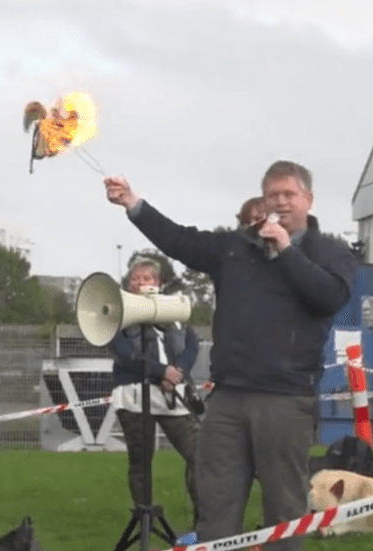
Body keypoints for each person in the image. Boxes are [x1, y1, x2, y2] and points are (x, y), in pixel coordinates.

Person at [104, 160, 357, 551]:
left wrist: (287, 250)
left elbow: (330, 297)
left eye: (289, 194)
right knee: (216, 503)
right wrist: (134, 204)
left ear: (309, 199)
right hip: (227, 399)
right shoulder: (236, 247)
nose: (280, 202)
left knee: (284, 508)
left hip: (286, 399)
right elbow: (181, 240)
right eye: (273, 195)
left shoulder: (332, 252)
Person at [107, 257, 201, 531]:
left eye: (147, 279)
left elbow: (191, 345)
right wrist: (160, 372)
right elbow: (125, 355)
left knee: (200, 455)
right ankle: (144, 518)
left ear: (158, 284)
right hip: (136, 396)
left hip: (173, 394)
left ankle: (203, 523)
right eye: (136, 279)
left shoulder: (174, 314)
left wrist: (177, 372)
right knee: (141, 459)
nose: (140, 283)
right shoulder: (119, 316)